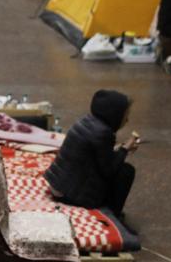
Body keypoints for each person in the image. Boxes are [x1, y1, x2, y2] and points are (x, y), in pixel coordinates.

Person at [44, 90, 140, 220]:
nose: (127, 120)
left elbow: (95, 153)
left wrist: (119, 148)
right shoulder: (103, 133)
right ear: (115, 115)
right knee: (126, 172)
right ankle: (111, 215)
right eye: (125, 115)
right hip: (69, 194)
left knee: (119, 166)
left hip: (58, 184)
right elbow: (109, 170)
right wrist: (125, 149)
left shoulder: (87, 120)